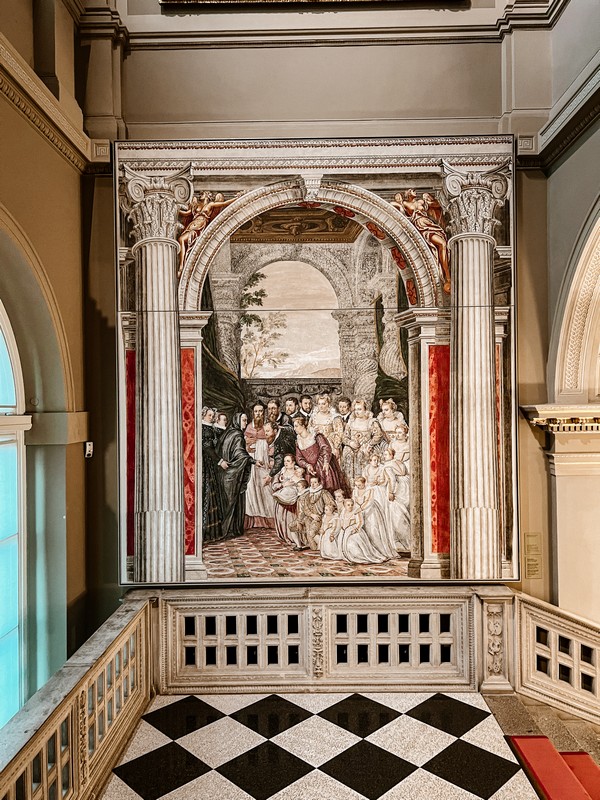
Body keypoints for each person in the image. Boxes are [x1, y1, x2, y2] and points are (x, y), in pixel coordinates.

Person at [390, 190, 450, 293]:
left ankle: (447, 276)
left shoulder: (421, 202)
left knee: (443, 244)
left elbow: (437, 205)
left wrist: (433, 200)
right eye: (412, 191)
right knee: (440, 244)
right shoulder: (405, 203)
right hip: (420, 227)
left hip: (429, 224)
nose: (415, 191)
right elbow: (391, 204)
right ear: (407, 193)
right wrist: (400, 206)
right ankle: (445, 276)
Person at [177, 191, 242, 277]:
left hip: (199, 228)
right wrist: (176, 208)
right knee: (181, 239)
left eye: (202, 194)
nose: (200, 195)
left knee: (183, 240)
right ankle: (182, 263)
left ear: (208, 195)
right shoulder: (196, 205)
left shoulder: (210, 205)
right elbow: (186, 213)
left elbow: (224, 203)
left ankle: (182, 266)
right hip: (191, 226)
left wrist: (238, 198)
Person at [217, 412, 258, 540]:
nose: (245, 423)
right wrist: (253, 460)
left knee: (226, 502)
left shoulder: (228, 432)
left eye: (246, 420)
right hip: (233, 474)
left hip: (224, 473)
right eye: (244, 420)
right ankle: (231, 530)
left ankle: (224, 530)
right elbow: (240, 454)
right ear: (237, 420)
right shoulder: (238, 435)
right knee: (232, 501)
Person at [294, 415, 347, 494]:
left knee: (329, 488)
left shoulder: (316, 436)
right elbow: (299, 458)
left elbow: (325, 448)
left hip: (323, 465)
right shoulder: (298, 441)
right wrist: (307, 465)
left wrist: (326, 462)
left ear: (303, 426)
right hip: (311, 470)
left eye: (296, 426)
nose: (294, 428)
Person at [244, 402, 275, 529]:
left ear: (264, 412)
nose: (258, 414)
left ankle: (269, 519)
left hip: (264, 461)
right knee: (252, 488)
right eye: (256, 411)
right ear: (253, 412)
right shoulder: (247, 427)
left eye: (261, 411)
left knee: (266, 488)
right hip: (251, 463)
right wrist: (246, 446)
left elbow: (272, 443)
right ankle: (254, 520)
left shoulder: (267, 426)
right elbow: (243, 446)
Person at [341, 399, 384, 486]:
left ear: (365, 410)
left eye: (360, 409)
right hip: (352, 447)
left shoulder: (371, 422)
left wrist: (369, 444)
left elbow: (378, 435)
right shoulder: (351, 422)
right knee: (347, 452)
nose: (357, 412)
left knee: (362, 453)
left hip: (366, 447)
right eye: (356, 409)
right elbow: (344, 437)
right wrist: (350, 443)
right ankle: (349, 487)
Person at [352, 476, 397, 559]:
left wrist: (360, 508)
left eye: (360, 485)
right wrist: (356, 510)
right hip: (359, 512)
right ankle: (367, 552)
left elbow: (369, 501)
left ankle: (380, 551)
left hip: (371, 511)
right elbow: (354, 500)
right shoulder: (355, 490)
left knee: (373, 532)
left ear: (364, 483)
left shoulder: (370, 490)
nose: (358, 487)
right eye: (357, 485)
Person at [200, 407, 227, 542]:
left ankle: (213, 533)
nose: (211, 417)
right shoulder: (204, 429)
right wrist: (220, 461)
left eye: (212, 415)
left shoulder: (210, 428)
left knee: (213, 493)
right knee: (207, 492)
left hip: (211, 464)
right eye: (209, 415)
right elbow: (207, 448)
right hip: (206, 464)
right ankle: (206, 532)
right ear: (203, 416)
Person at [290, 475, 336, 550]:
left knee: (311, 535)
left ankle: (324, 547)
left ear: (319, 483)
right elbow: (305, 508)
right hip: (309, 517)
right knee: (292, 526)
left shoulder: (324, 493)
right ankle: (299, 546)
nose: (313, 484)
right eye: (311, 482)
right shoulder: (308, 494)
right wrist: (311, 515)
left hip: (320, 518)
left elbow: (331, 505)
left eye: (315, 482)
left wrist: (323, 516)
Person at [338, 498, 388, 565]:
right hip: (345, 530)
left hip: (355, 529)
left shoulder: (356, 512)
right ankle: (347, 555)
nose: (350, 506)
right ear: (344, 506)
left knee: (354, 542)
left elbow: (360, 522)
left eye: (351, 505)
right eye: (348, 505)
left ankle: (360, 556)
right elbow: (341, 521)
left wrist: (355, 529)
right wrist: (342, 527)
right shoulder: (343, 512)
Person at [381, 447, 411, 552]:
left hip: (397, 489)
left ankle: (402, 542)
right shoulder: (399, 462)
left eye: (386, 455)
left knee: (395, 514)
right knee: (404, 511)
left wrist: (390, 492)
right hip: (406, 488)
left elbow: (392, 480)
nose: (384, 457)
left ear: (391, 455)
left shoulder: (387, 466)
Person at [271, 455, 304, 548]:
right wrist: (283, 484)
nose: (285, 463)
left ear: (293, 463)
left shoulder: (299, 472)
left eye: (288, 461)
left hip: (294, 500)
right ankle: (285, 536)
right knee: (282, 519)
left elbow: (304, 484)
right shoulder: (281, 473)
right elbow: (274, 486)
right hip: (282, 499)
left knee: (292, 519)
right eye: (285, 461)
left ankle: (295, 539)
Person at [309, 393, 344, 460]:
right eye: (319, 404)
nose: (321, 406)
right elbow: (308, 430)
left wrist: (336, 447)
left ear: (328, 404)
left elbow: (339, 433)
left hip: (330, 444)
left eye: (323, 404)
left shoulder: (334, 417)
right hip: (316, 444)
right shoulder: (314, 416)